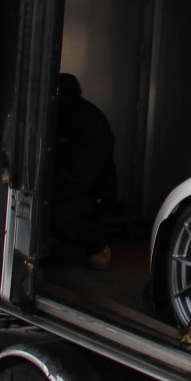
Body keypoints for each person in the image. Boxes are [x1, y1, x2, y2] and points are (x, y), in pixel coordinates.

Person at [51, 72, 117, 270]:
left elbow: (82, 175)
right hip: (73, 187)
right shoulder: (60, 118)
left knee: (53, 212)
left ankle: (98, 245)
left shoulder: (88, 121)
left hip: (92, 195)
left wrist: (47, 189)